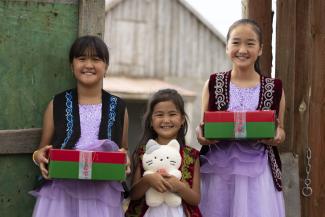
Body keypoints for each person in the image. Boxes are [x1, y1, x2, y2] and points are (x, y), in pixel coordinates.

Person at [30, 35, 130, 217]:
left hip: (102, 194)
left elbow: (123, 150)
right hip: (61, 194)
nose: (89, 65)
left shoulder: (119, 107)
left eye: (96, 59)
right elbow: (40, 150)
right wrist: (39, 158)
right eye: (82, 59)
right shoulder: (57, 103)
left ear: (106, 67)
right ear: (71, 66)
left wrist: (125, 160)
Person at [196, 19, 286, 217]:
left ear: (260, 49)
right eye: (236, 42)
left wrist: (277, 136)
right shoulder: (213, 83)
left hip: (259, 172)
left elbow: (280, 130)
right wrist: (201, 135)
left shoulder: (274, 87)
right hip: (219, 171)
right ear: (227, 47)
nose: (242, 49)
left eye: (250, 43)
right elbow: (204, 125)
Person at [125, 89, 202, 217]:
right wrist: (147, 180)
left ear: (182, 119)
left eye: (172, 114)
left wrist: (180, 187)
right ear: (151, 121)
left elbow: (196, 199)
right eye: (159, 115)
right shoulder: (143, 153)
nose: (166, 120)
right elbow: (133, 195)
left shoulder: (192, 155)